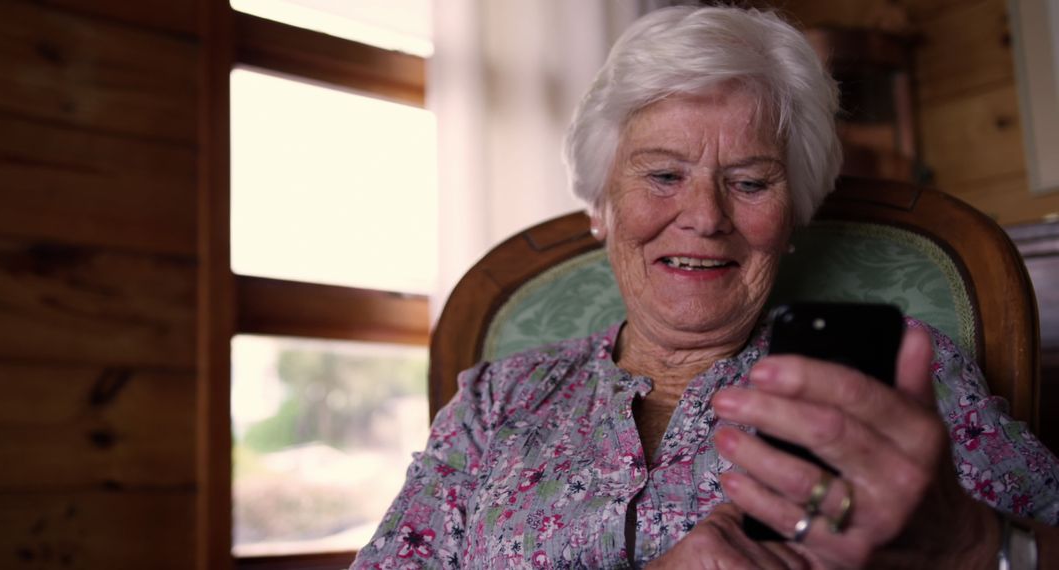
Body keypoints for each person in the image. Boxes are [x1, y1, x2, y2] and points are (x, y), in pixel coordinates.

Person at [352, 6, 1059, 568]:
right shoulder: (494, 403)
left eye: (750, 183)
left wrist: (973, 547)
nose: (704, 218)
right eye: (663, 176)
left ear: (792, 218)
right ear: (601, 206)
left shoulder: (901, 377)